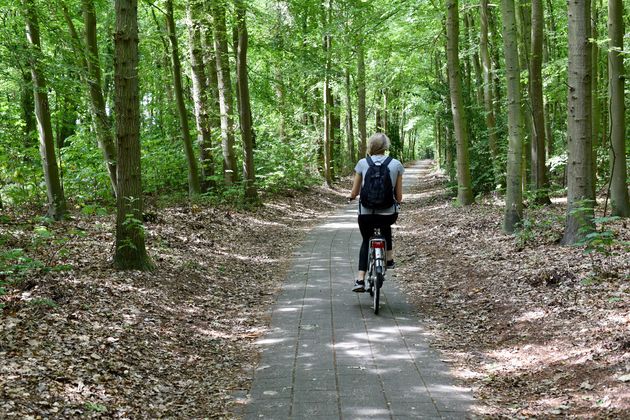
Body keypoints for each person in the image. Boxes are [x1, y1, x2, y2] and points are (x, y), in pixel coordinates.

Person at [348, 133, 404, 292]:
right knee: (385, 224)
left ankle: (360, 280)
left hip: (366, 213)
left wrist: (351, 197)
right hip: (388, 213)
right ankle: (390, 258)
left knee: (367, 239)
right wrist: (398, 202)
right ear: (386, 147)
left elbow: (355, 192)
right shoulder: (396, 164)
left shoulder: (362, 163)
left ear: (370, 146)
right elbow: (399, 196)